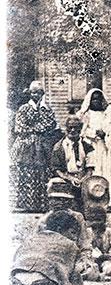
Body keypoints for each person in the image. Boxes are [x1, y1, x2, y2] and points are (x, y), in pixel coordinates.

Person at [11, 210, 89, 285]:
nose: (75, 237)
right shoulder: (70, 245)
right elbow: (75, 275)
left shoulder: (30, 239)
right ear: (59, 229)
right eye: (72, 232)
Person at [10, 80, 58, 212]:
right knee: (27, 172)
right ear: (30, 93)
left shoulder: (46, 109)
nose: (36, 95)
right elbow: (19, 127)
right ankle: (27, 204)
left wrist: (36, 129)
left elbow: (51, 124)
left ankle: (43, 204)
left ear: (42, 93)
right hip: (27, 146)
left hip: (43, 147)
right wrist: (36, 130)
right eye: (33, 92)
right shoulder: (24, 108)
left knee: (43, 173)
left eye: (38, 92)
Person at [49, 116, 95, 210]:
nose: (73, 130)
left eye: (76, 127)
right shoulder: (59, 147)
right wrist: (70, 179)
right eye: (70, 127)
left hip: (83, 178)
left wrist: (83, 179)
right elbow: (57, 169)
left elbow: (90, 168)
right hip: (66, 178)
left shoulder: (87, 146)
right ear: (66, 129)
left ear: (80, 129)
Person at [77, 88, 109, 177]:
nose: (96, 102)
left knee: (104, 164)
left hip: (103, 143)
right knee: (92, 163)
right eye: (94, 99)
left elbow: (109, 126)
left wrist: (105, 133)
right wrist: (94, 133)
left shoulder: (106, 114)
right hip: (90, 143)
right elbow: (82, 130)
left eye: (99, 99)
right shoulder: (86, 114)